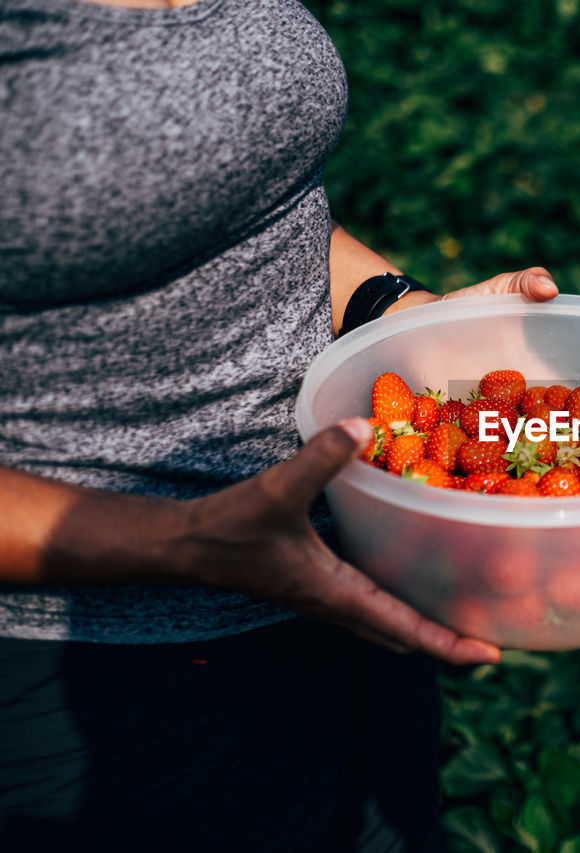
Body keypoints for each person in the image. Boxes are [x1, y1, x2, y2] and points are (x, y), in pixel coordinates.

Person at [0, 0, 551, 848]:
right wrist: (182, 539)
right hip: (96, 657)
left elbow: (241, 194)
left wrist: (395, 311)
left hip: (335, 556)